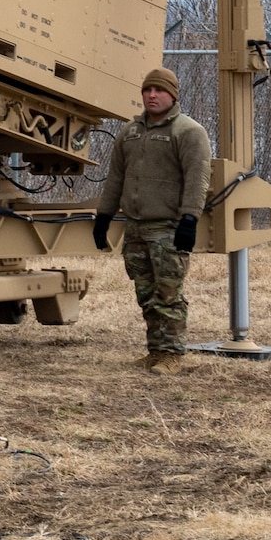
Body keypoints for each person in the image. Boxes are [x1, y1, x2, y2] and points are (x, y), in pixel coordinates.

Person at [93, 66, 211, 374]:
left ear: (173, 95)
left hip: (167, 229)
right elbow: (115, 178)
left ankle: (172, 354)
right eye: (147, 90)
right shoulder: (130, 132)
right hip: (135, 228)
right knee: (146, 294)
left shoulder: (188, 132)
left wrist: (189, 220)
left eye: (158, 90)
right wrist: (103, 217)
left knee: (168, 294)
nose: (152, 95)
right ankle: (155, 351)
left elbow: (198, 180)